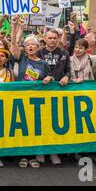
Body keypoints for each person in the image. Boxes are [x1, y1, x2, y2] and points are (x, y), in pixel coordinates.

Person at [10, 16, 51, 169]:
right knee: (22, 129)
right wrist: (14, 26)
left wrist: (49, 77)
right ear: (25, 48)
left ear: (37, 47)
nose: (31, 46)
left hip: (36, 101)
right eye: (28, 44)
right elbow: (13, 43)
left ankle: (33, 155)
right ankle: (23, 156)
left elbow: (49, 78)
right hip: (21, 99)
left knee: (34, 129)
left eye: (33, 44)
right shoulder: (21, 59)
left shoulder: (43, 63)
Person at [36, 29, 71, 165]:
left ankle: (53, 151)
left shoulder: (64, 53)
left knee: (55, 123)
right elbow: (31, 69)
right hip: (41, 92)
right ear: (45, 39)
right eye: (49, 38)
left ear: (58, 39)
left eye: (54, 38)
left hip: (58, 93)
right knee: (41, 123)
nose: (52, 40)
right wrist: (42, 78)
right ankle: (40, 151)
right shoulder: (39, 53)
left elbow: (68, 70)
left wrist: (67, 77)